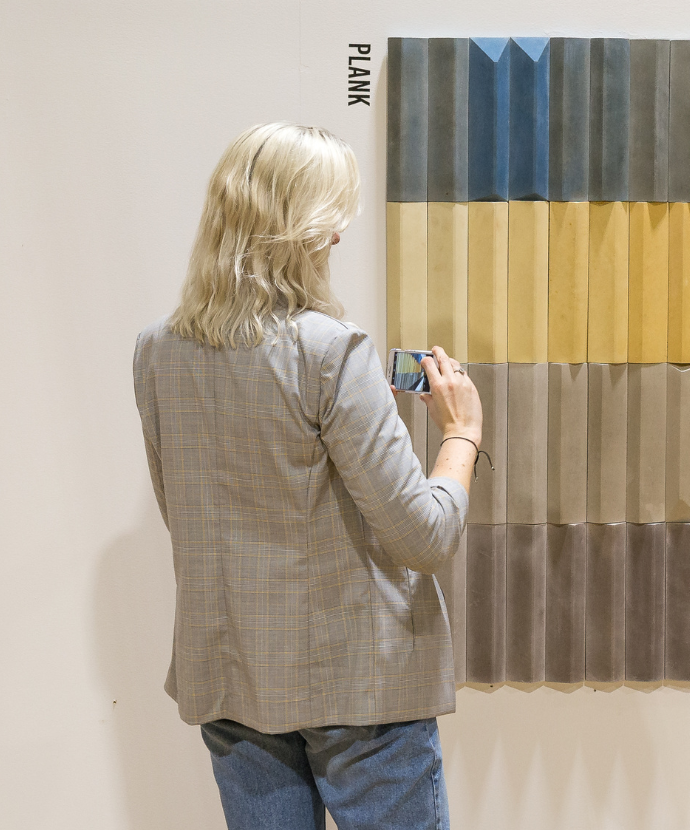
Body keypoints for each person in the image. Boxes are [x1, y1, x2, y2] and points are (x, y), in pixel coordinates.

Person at [132, 123, 482, 830]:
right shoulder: (331, 351)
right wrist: (461, 432)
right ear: (297, 231)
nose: (340, 237)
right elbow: (423, 537)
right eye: (331, 221)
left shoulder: (157, 351)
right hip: (358, 686)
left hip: (233, 676)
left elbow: (188, 515)